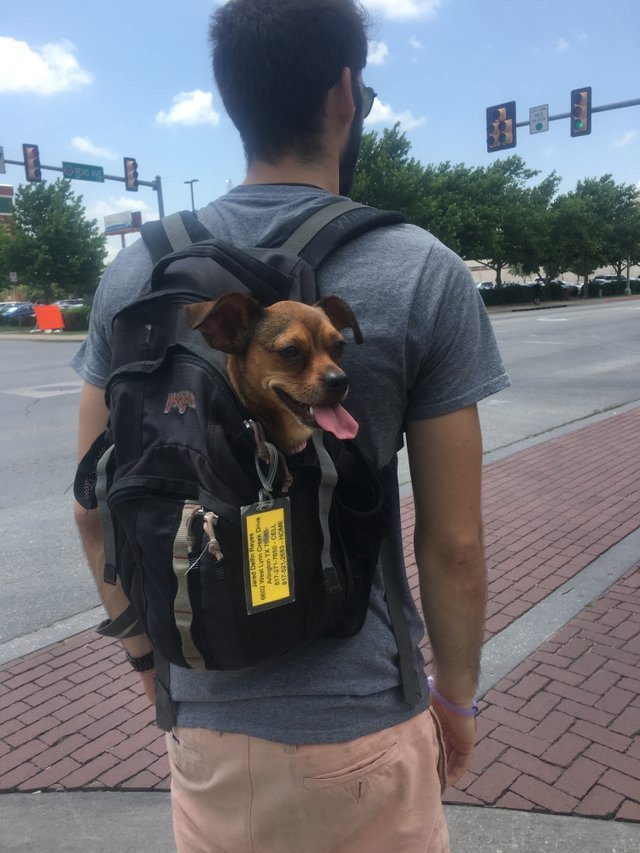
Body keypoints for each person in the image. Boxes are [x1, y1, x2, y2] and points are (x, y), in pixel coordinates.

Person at [72, 1, 510, 850]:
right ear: (345, 95)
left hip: (204, 722)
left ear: (231, 100)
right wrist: (455, 700)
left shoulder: (134, 273)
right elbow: (454, 542)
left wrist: (145, 661)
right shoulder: (422, 268)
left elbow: (95, 507)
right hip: (365, 719)